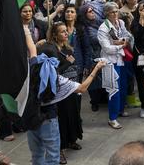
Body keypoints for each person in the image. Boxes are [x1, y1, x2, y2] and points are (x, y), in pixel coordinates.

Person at [25, 24, 105, 165]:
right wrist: (96, 68)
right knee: (53, 156)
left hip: (31, 118)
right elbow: (82, 88)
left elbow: (32, 50)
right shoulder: (56, 79)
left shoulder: (30, 71)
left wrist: (26, 31)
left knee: (36, 155)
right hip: (48, 118)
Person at [98, 2, 134, 130]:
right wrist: (120, 45)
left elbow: (126, 35)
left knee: (123, 86)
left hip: (122, 59)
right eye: (112, 12)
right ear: (107, 13)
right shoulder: (103, 28)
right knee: (114, 90)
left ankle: (120, 110)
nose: (115, 14)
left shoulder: (121, 23)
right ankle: (112, 118)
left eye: (117, 11)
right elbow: (107, 48)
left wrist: (121, 41)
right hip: (110, 62)